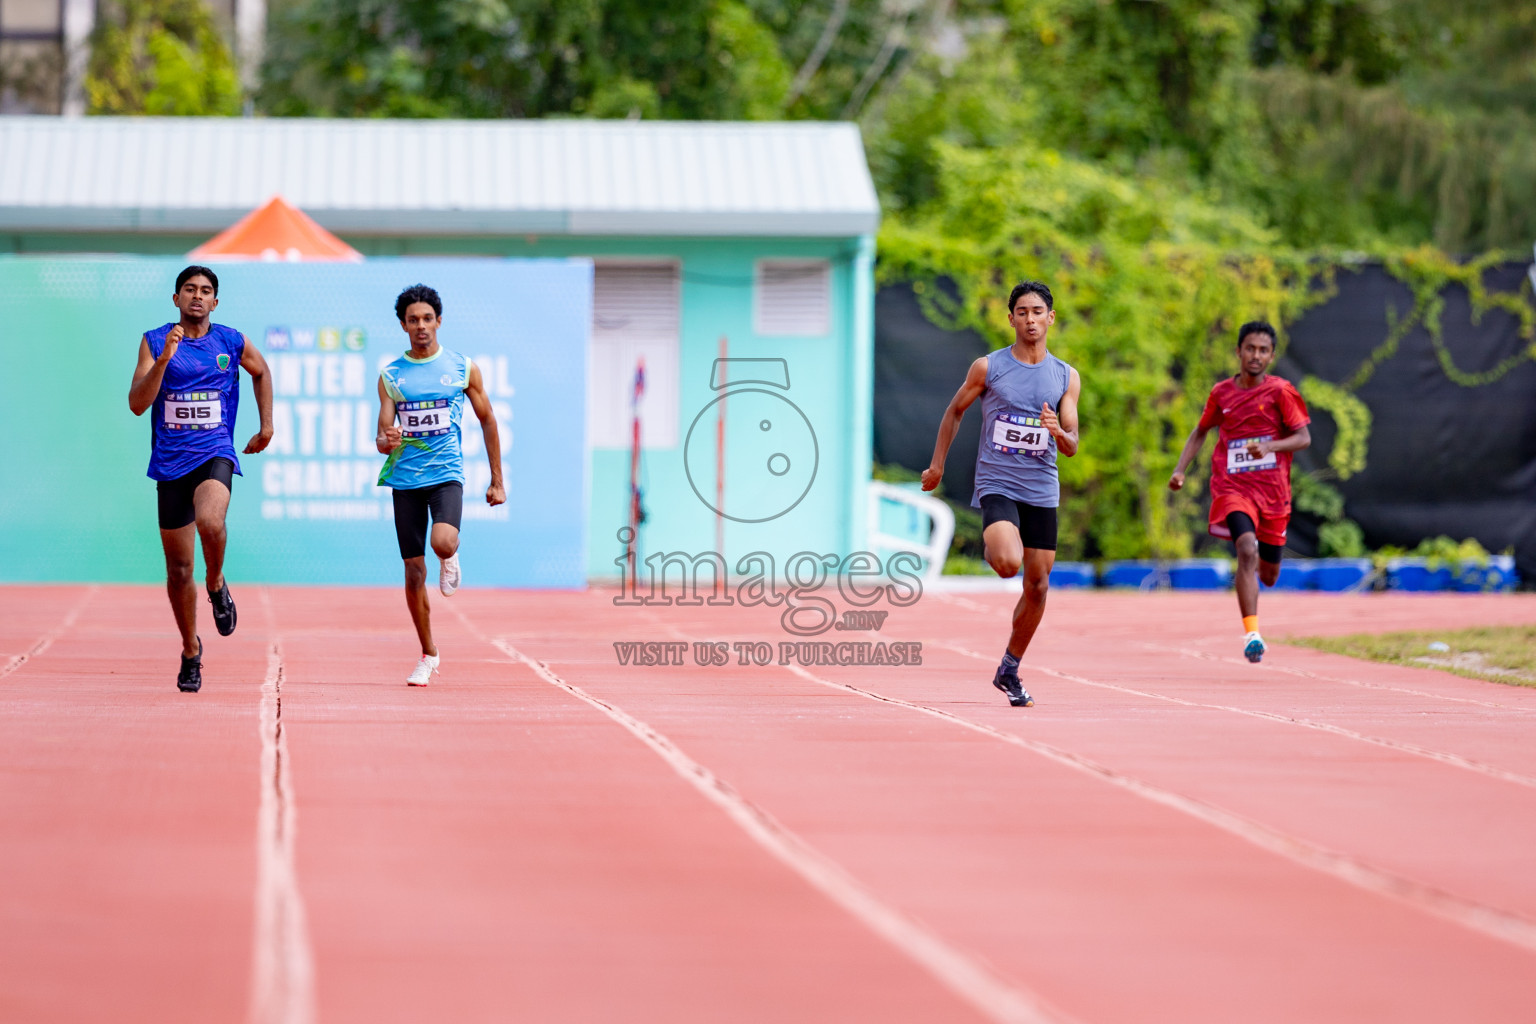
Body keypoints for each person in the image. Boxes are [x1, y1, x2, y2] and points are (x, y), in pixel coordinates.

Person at [923, 281, 1082, 707]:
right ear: (1011, 318)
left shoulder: (1066, 377)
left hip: (1042, 488)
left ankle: (1009, 668)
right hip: (998, 484)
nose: (1030, 319)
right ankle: (996, 538)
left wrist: (1059, 433)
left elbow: (1072, 442)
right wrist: (938, 464)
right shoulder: (988, 367)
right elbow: (955, 411)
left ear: (1051, 318)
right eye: (1022, 312)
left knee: (1038, 586)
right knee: (1008, 563)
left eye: (1038, 312)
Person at [128, 265, 273, 693]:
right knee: (177, 570)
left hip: (214, 452)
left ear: (215, 301)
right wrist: (165, 361)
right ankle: (191, 650)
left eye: (205, 291)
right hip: (171, 463)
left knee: (211, 522)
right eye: (189, 289)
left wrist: (266, 427)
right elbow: (137, 404)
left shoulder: (230, 340)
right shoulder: (155, 341)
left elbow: (261, 371)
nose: (197, 296)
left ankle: (216, 581)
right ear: (176, 299)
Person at [376, 284, 506, 686]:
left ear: (439, 321)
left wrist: (496, 480)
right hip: (405, 479)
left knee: (443, 542)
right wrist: (387, 439)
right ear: (403, 325)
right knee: (414, 573)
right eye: (413, 320)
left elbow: (487, 420)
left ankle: (451, 559)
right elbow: (382, 436)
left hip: (445, 474)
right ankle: (428, 654)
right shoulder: (391, 375)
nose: (421, 326)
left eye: (427, 319)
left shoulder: (462, 368)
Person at [1169, 320, 1311, 663]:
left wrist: (1271, 447)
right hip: (1233, 488)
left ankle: (1262, 576)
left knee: (1269, 574)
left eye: (1263, 350)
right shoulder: (1222, 393)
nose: (1256, 356)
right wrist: (1179, 469)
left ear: (1271, 356)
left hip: (1274, 494)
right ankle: (1252, 633)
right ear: (1238, 351)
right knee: (1246, 548)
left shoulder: (1281, 392)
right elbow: (1201, 431)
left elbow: (1303, 438)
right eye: (1250, 348)